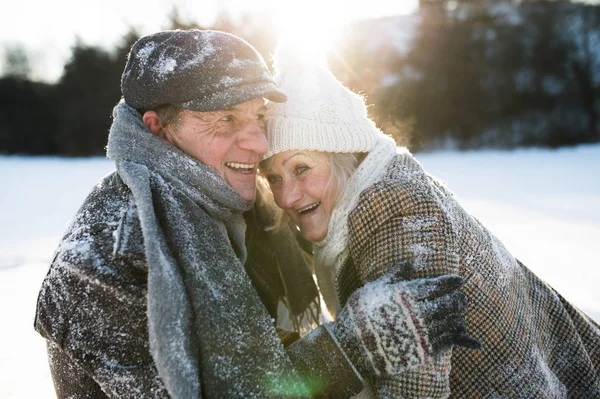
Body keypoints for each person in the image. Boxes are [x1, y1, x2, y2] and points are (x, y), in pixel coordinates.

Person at [34, 29, 476, 399]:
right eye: (225, 119)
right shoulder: (104, 263)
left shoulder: (247, 206)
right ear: (158, 129)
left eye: (259, 116)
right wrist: (355, 347)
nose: (259, 144)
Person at [260, 49, 600, 398]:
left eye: (301, 168)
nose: (286, 197)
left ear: (343, 157)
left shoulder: (394, 208)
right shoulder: (369, 191)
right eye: (273, 178)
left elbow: (414, 388)